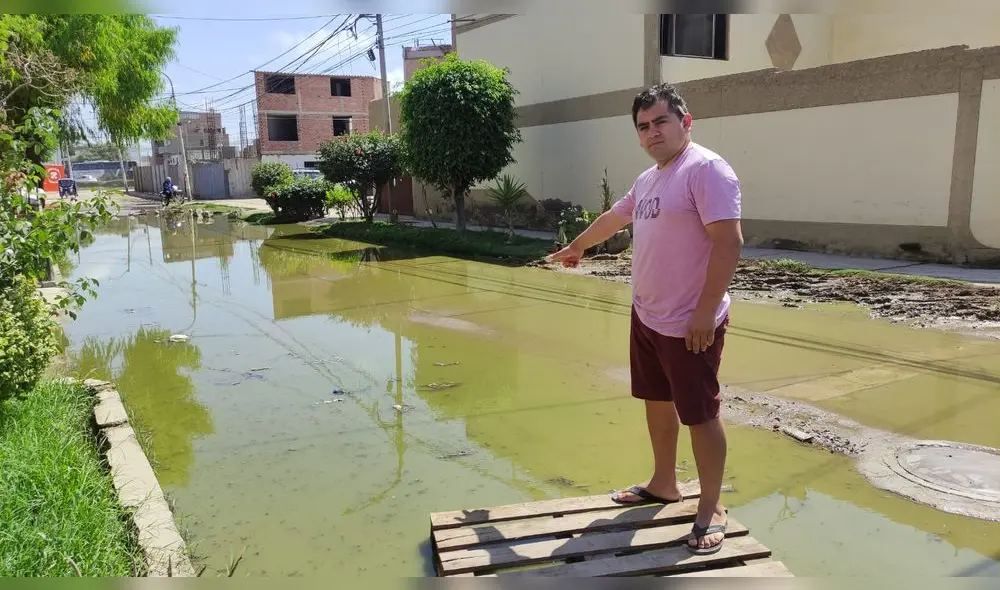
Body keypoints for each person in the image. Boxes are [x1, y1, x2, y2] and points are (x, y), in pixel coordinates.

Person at [547, 83, 744, 555]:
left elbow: (729, 243)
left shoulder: (706, 169)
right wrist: (578, 246)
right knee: (656, 401)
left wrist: (702, 312)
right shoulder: (650, 179)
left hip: (689, 322)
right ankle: (663, 483)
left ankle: (709, 508)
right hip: (648, 316)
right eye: (643, 126)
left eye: (660, 121)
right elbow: (616, 217)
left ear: (685, 122)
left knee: (700, 414)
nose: (652, 132)